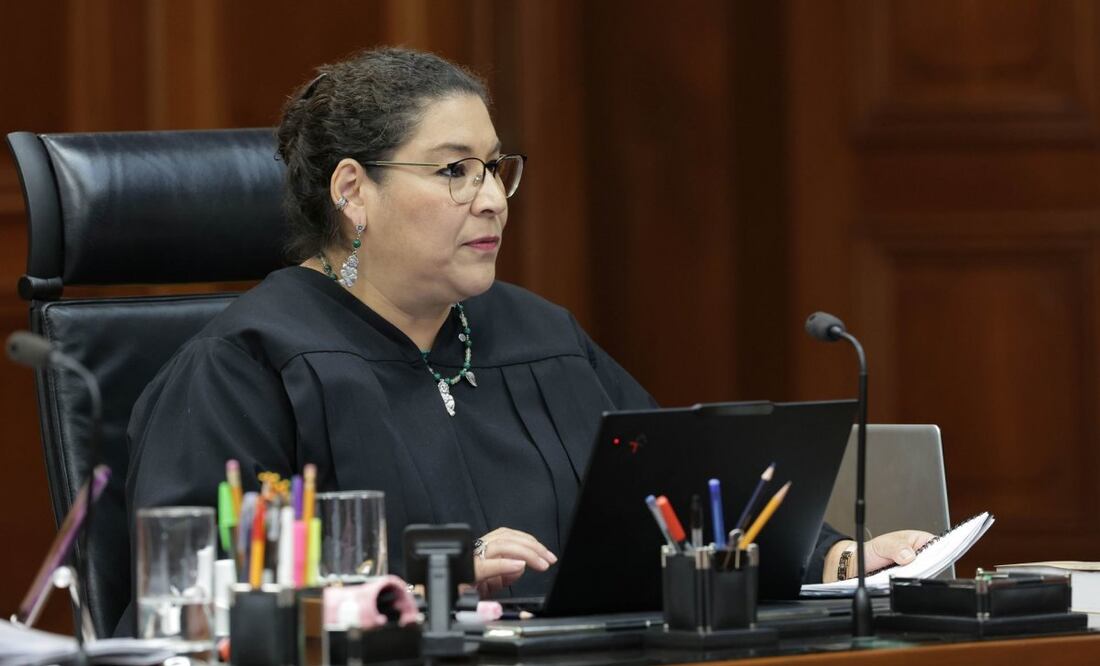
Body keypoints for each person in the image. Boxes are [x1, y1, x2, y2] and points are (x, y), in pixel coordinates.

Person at [124, 47, 930, 620]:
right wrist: (437, 574)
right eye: (452, 171)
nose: (492, 200)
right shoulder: (250, 363)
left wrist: (827, 555)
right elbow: (198, 587)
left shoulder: (537, 333)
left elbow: (680, 495)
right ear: (352, 192)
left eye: (495, 168)